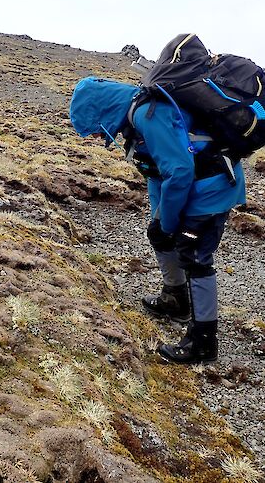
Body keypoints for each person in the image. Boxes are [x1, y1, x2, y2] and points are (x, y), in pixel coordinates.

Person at [69, 76, 246, 364]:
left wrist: (168, 221)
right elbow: (155, 172)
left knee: (195, 255)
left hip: (211, 188)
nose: (97, 137)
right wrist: (160, 219)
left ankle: (203, 342)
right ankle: (175, 299)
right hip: (196, 186)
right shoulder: (133, 121)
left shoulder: (147, 115)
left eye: (95, 129)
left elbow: (178, 172)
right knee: (160, 235)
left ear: (101, 111)